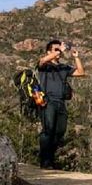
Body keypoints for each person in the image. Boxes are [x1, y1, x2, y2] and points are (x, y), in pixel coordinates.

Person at [37, 39, 86, 169]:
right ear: (49, 52)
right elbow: (42, 61)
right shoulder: (45, 66)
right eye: (55, 49)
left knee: (59, 132)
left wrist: (76, 57)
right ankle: (45, 161)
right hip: (48, 101)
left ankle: (50, 158)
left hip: (61, 103)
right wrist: (60, 50)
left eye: (59, 49)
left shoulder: (63, 67)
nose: (59, 52)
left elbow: (81, 72)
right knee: (48, 130)